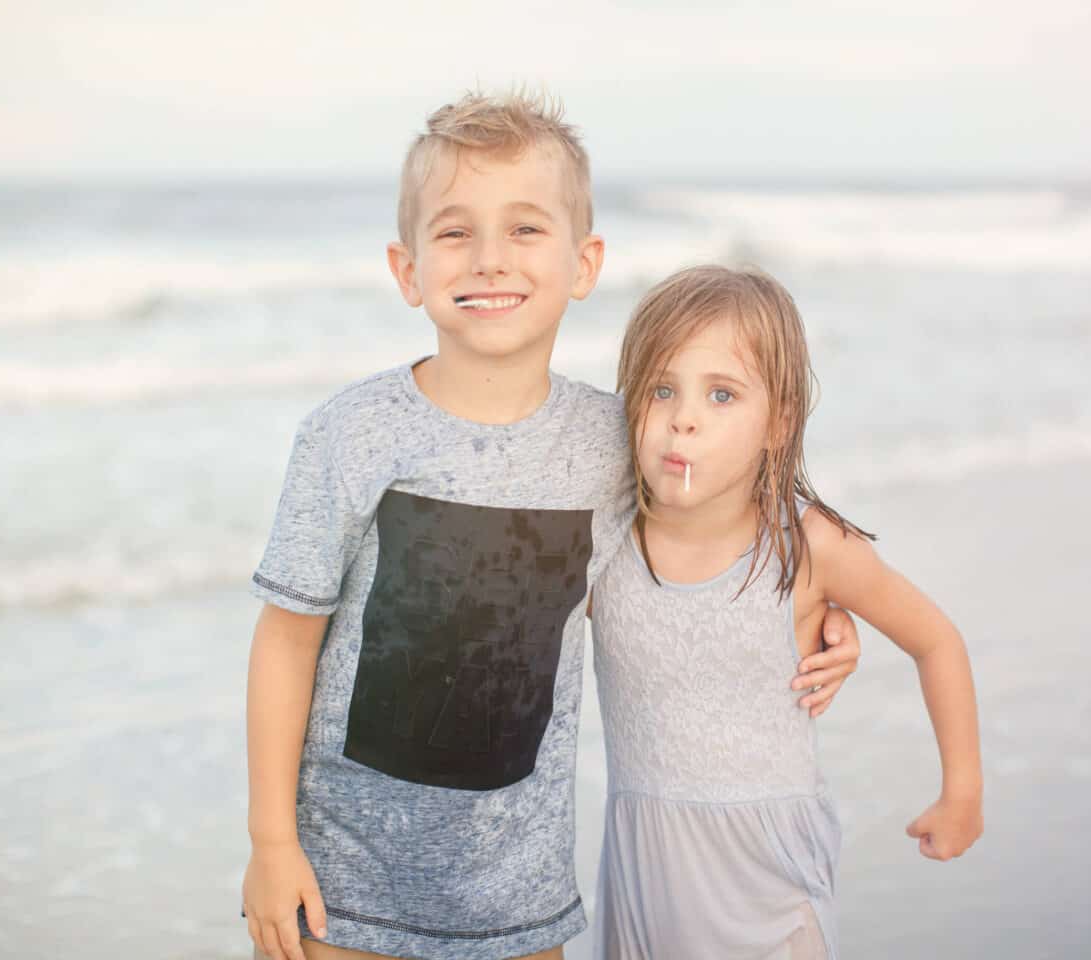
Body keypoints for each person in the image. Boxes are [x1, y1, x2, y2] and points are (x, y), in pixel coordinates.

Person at [241, 93, 861, 960]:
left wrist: (821, 605)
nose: (490, 259)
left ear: (584, 261)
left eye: (526, 229)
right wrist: (272, 844)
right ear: (408, 267)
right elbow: (285, 642)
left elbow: (713, 540)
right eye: (455, 232)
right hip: (347, 893)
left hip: (523, 904)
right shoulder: (351, 434)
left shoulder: (616, 443)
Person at [590, 265, 985, 958]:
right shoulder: (604, 546)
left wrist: (963, 793)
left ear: (778, 422)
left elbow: (936, 641)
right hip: (645, 873)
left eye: (721, 394)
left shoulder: (809, 546)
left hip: (767, 880)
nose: (683, 417)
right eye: (660, 389)